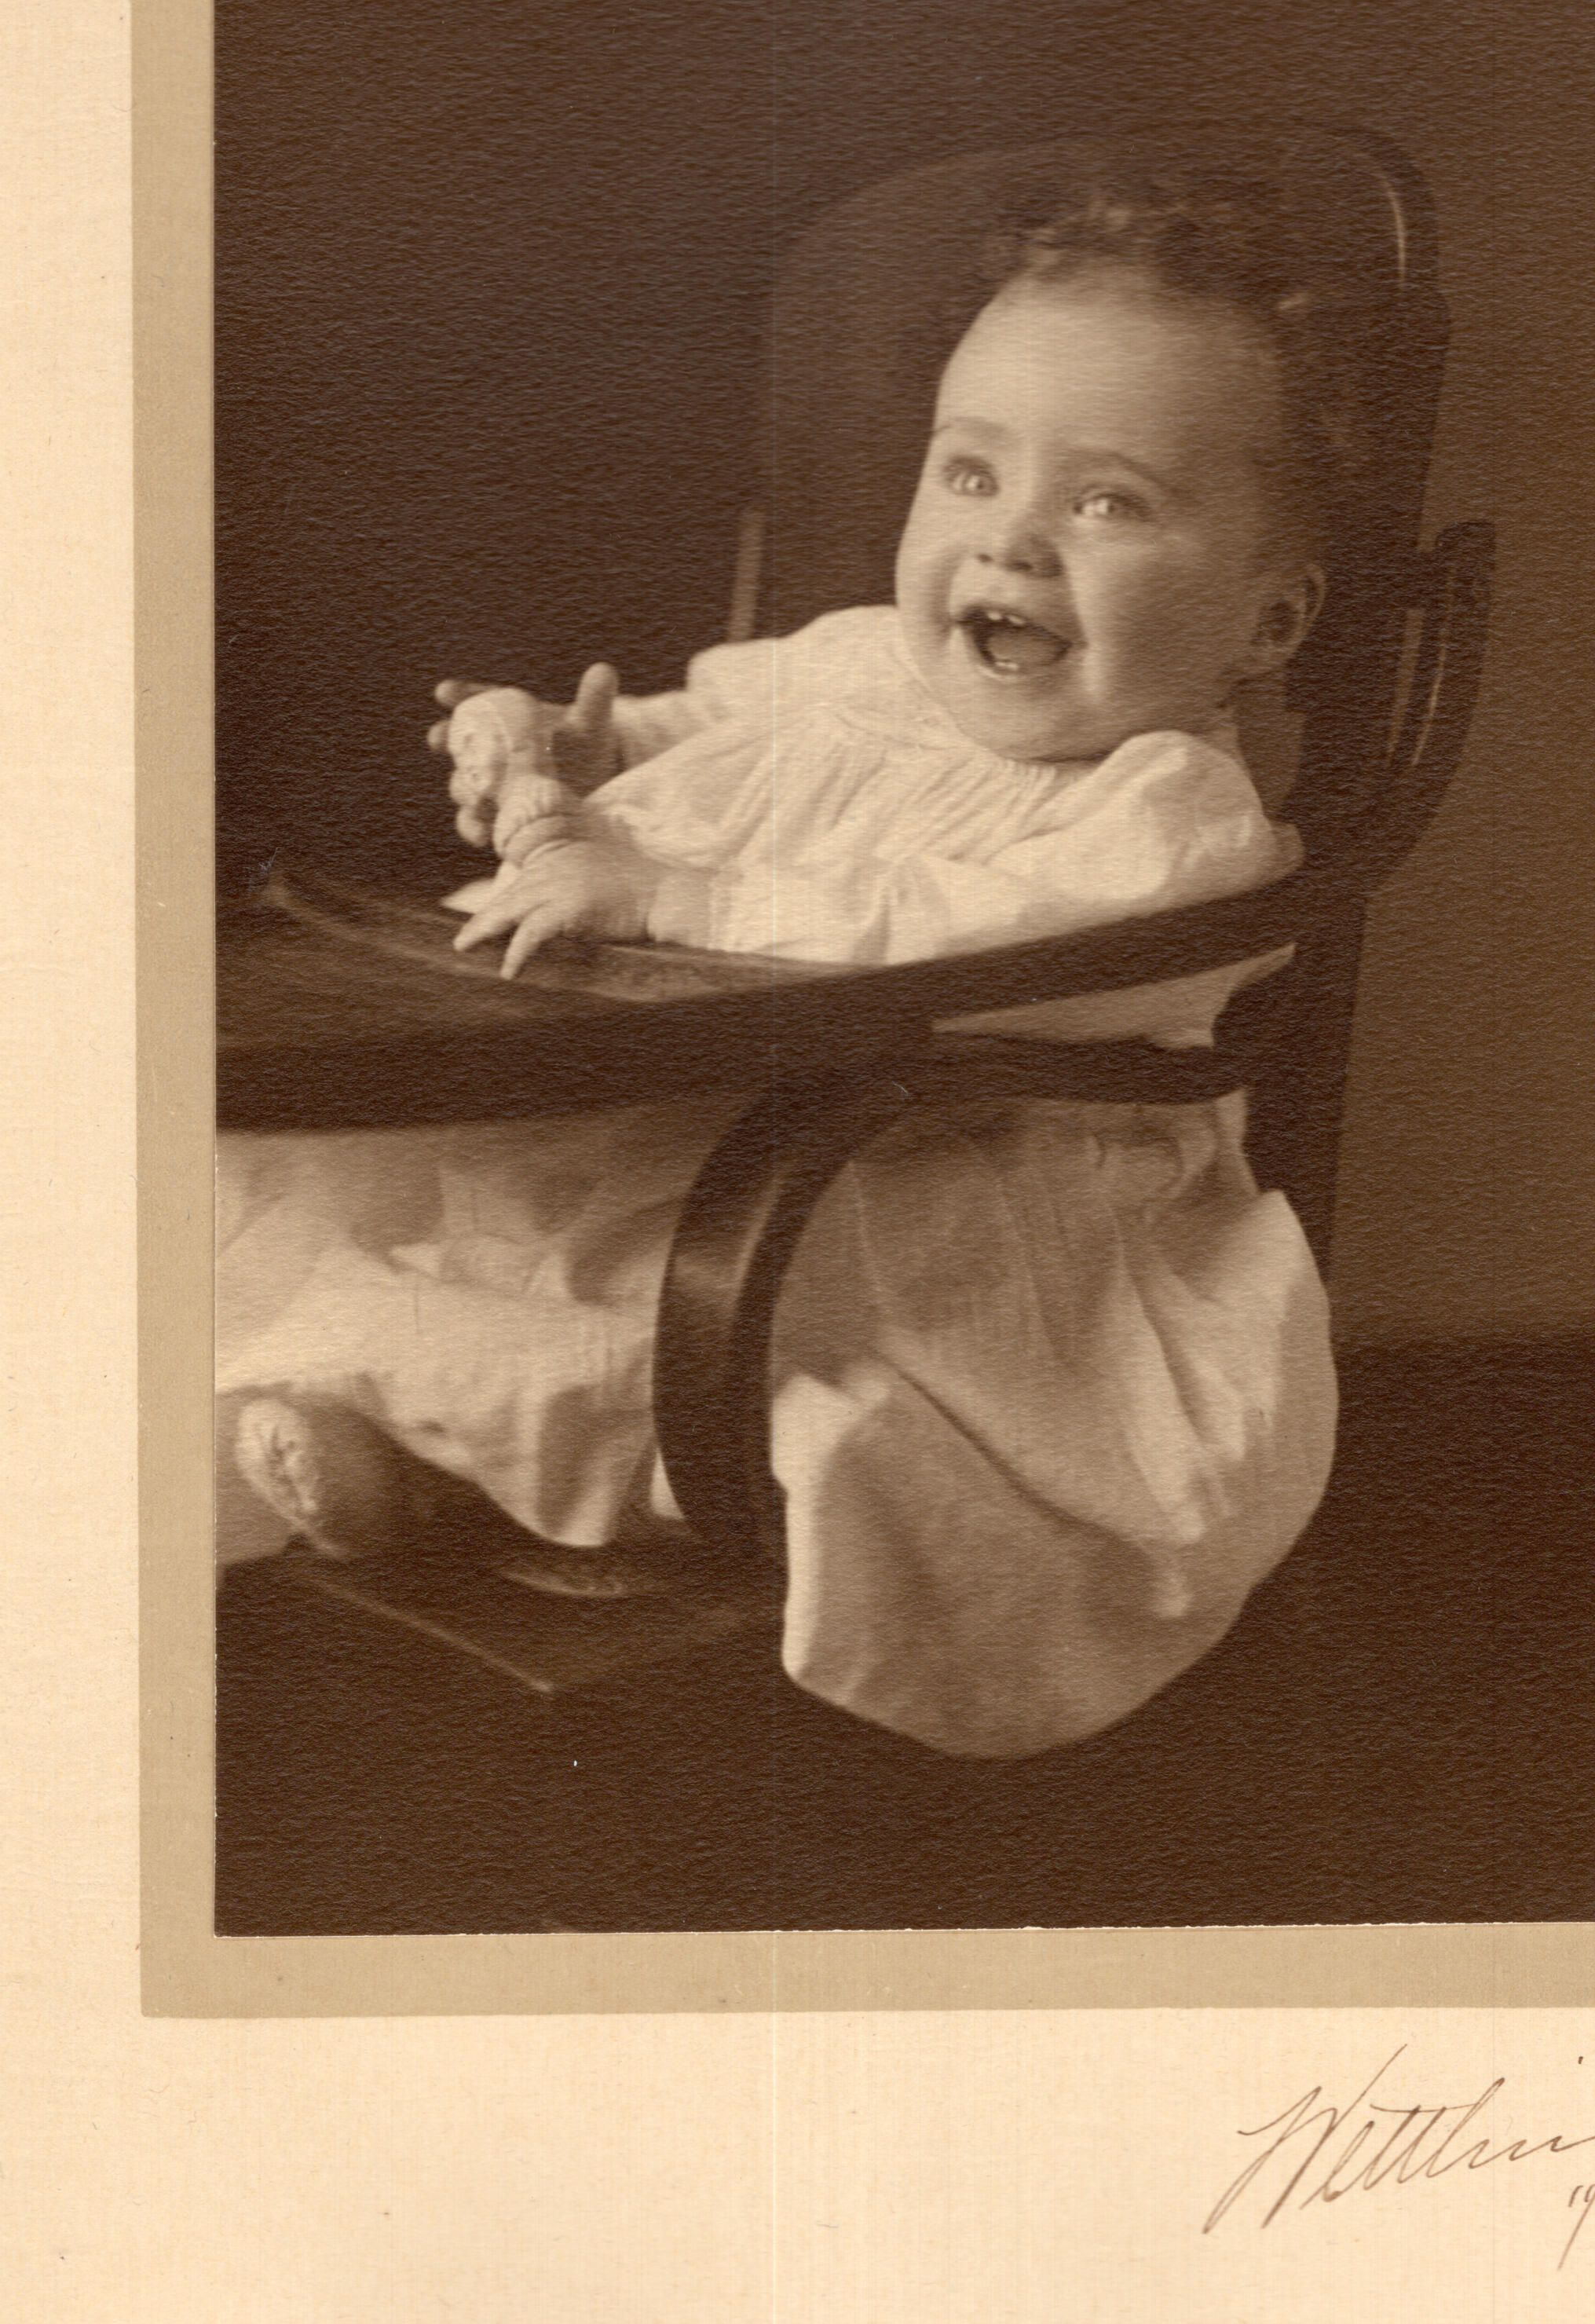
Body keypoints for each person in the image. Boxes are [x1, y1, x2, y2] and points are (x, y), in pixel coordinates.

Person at [217, 167, 1344, 1758]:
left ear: (1266, 621)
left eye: (1108, 502)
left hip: (939, 1208)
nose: (1013, 539)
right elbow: (689, 720)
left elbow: (949, 939)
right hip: (675, 1121)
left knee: (799, 1405)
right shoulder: (855, 665)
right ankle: (407, 1437)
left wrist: (681, 893)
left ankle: (431, 1449)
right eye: (970, 472)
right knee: (378, 1202)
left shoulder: (1168, 819)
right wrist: (577, 751)